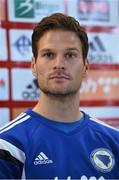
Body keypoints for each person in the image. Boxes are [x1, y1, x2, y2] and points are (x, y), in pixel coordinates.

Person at [0, 13, 119, 180]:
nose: (59, 64)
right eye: (48, 55)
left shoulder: (114, 142)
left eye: (70, 55)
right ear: (34, 65)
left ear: (86, 65)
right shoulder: (8, 146)